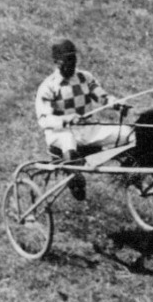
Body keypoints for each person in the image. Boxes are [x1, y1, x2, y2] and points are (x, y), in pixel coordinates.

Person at [34, 38, 133, 201]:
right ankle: (75, 181)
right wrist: (66, 119)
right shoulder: (48, 86)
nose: (72, 63)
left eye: (74, 58)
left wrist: (116, 104)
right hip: (59, 133)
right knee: (68, 139)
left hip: (87, 129)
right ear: (57, 62)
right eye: (68, 59)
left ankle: (132, 174)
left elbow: (102, 96)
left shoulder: (85, 78)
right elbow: (44, 120)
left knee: (128, 133)